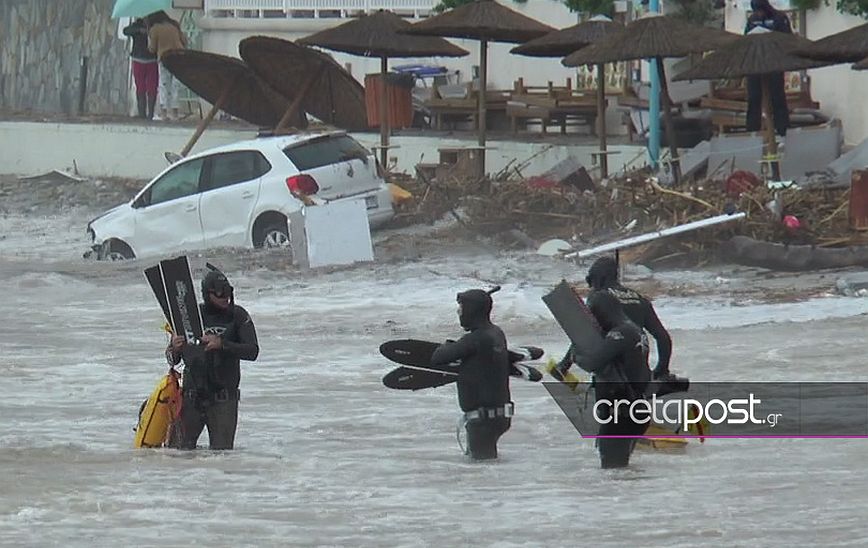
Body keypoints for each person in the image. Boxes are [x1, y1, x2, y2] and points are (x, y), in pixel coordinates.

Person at [166, 269, 259, 450]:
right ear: (207, 294)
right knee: (177, 455)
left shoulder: (238, 316)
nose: (225, 298)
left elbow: (252, 351)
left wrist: (222, 344)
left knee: (221, 458)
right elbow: (172, 360)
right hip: (191, 399)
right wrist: (174, 348)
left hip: (223, 400)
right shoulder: (190, 315)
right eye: (219, 294)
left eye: (228, 293)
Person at [561, 290, 651, 468]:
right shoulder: (634, 329)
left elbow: (592, 363)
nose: (591, 322)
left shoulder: (619, 334)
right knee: (620, 470)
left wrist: (574, 355)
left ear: (600, 313)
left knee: (612, 471)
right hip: (635, 409)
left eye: (591, 314)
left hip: (620, 414)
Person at [430, 287, 512, 460]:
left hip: (483, 420)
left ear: (472, 311)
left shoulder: (477, 338)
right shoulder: (496, 334)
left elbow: (438, 357)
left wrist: (446, 345)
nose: (459, 312)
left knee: (482, 470)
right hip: (499, 416)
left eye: (462, 308)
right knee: (486, 465)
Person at [570, 255, 673, 380]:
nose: (590, 286)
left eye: (590, 280)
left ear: (599, 278)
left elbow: (584, 333)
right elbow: (663, 337)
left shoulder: (599, 298)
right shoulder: (639, 299)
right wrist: (661, 370)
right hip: (638, 371)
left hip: (613, 370)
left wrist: (566, 363)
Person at [744, 0, 792, 137]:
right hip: (755, 65)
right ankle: (752, 132)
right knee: (753, 99)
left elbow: (787, 39)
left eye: (760, 10)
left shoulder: (780, 18)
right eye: (756, 11)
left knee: (777, 98)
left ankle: (783, 131)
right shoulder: (752, 20)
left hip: (774, 64)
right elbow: (745, 39)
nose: (758, 13)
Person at [147, 10, 187, 121]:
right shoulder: (174, 26)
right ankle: (175, 113)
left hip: (165, 58)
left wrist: (149, 39)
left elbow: (152, 48)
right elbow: (184, 41)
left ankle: (164, 113)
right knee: (175, 85)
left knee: (164, 85)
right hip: (179, 57)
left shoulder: (155, 29)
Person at [122, 18, 158, 119]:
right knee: (140, 86)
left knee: (152, 86)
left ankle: (150, 113)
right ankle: (142, 112)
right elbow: (126, 31)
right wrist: (139, 30)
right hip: (138, 59)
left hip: (152, 60)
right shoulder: (136, 25)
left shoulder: (155, 26)